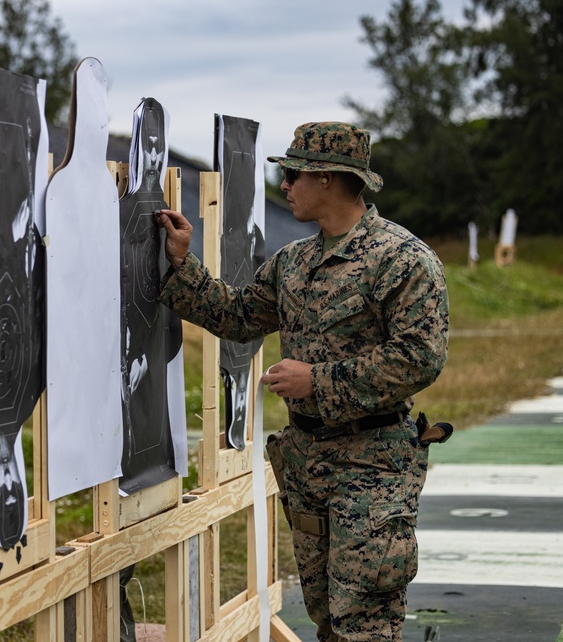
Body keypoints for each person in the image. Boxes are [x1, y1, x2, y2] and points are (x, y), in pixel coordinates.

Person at [156, 121, 449, 641]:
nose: (285, 186)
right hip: (309, 466)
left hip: (373, 468)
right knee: (328, 621)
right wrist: (183, 261)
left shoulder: (402, 259)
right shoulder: (295, 262)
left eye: (293, 174)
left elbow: (418, 358)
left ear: (330, 179)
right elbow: (240, 316)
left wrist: (318, 380)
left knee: (365, 626)